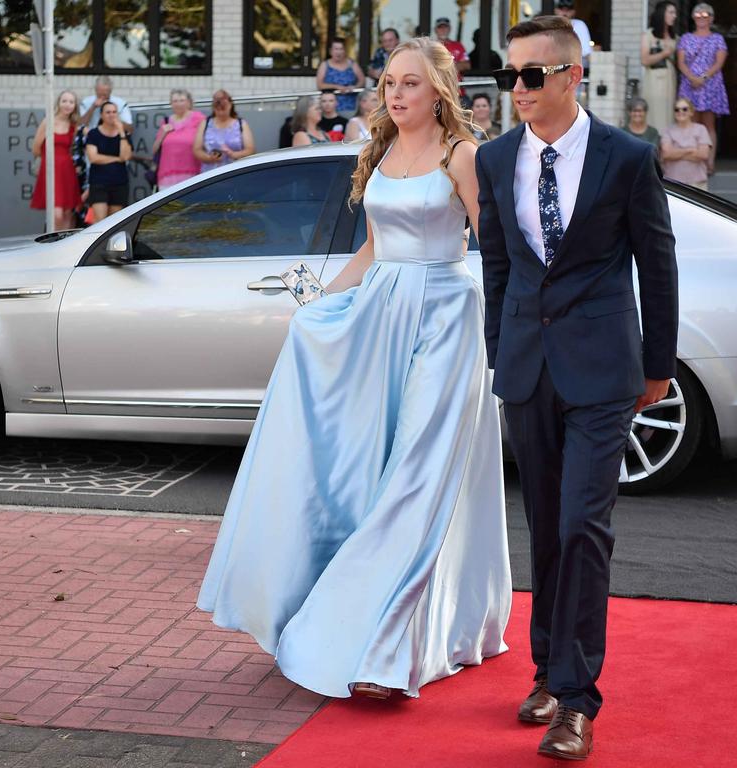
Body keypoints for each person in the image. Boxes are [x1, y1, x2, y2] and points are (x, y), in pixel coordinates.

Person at [198, 36, 511, 703]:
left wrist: (508, 326)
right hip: (381, 317)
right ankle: (368, 620)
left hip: (448, 316)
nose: (395, 95)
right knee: (378, 470)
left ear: (440, 91)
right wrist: (318, 311)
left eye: (411, 84)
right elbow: (372, 250)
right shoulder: (383, 151)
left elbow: (496, 243)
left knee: (418, 477)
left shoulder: (464, 156)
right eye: (388, 83)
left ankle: (386, 649)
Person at [478, 15, 677, 760]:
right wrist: (502, 353)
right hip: (529, 370)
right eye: (511, 76)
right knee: (544, 529)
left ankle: (577, 699)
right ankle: (546, 673)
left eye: (532, 76)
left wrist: (658, 365)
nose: (518, 90)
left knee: (583, 528)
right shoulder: (497, 161)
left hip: (602, 370)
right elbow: (498, 266)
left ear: (570, 76)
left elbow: (656, 265)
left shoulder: (627, 157)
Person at [677, 3, 728, 173]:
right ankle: (693, 161)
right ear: (693, 18)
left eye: (705, 15)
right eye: (697, 15)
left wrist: (703, 77)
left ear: (711, 18)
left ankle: (709, 162)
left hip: (710, 85)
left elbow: (719, 62)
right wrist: (692, 77)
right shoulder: (685, 38)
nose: (701, 18)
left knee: (708, 125)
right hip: (690, 85)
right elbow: (681, 62)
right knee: (691, 123)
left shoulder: (717, 39)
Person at [30, 90, 84, 231]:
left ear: (75, 106)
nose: (67, 105)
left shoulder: (74, 126)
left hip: (67, 169)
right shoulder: (48, 122)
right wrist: (50, 160)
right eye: (64, 101)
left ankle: (64, 244)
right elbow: (35, 148)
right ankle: (55, 244)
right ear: (58, 103)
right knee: (57, 214)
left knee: (67, 213)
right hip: (51, 169)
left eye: (71, 102)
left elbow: (72, 149)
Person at [85, 101, 132, 223]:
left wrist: (121, 132)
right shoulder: (94, 134)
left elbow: (126, 156)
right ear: (101, 115)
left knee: (114, 223)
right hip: (99, 183)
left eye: (114, 112)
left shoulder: (124, 134)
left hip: (119, 183)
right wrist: (116, 159)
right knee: (100, 221)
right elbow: (94, 158)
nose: (112, 115)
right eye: (108, 112)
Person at [151, 88, 204, 189]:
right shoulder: (166, 121)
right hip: (167, 176)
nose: (178, 104)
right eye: (175, 101)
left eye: (182, 100)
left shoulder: (199, 118)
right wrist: (163, 134)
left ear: (189, 102)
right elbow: (154, 150)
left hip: (192, 174)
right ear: (171, 103)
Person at [192, 90, 254, 172]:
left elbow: (250, 150)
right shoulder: (205, 123)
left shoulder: (241, 124)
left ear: (231, 104)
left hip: (235, 172)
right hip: (210, 173)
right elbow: (197, 149)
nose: (220, 110)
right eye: (217, 106)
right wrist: (209, 158)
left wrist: (233, 154)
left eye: (223, 106)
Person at [641, 2, 678, 136]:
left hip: (670, 79)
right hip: (654, 80)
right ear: (662, 13)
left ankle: (667, 147)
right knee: (655, 113)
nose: (674, 16)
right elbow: (644, 60)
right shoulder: (648, 35)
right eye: (671, 12)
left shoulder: (675, 38)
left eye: (675, 13)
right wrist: (664, 53)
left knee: (669, 113)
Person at [661, 97, 712, 188]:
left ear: (691, 112)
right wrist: (690, 150)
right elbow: (666, 154)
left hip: (697, 182)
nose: (680, 112)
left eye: (684, 109)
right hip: (672, 182)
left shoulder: (701, 129)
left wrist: (676, 153)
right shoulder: (667, 130)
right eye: (677, 109)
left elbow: (703, 155)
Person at [316, 38, 364, 114]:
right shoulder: (325, 65)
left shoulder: (352, 64)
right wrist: (337, 87)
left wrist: (355, 87)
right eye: (336, 49)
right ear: (331, 51)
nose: (338, 52)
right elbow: (320, 85)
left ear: (345, 51)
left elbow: (362, 81)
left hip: (351, 106)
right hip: (330, 108)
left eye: (341, 49)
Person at [555, 0, 597, 72]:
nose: (564, 13)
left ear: (573, 12)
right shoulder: (549, 26)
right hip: (554, 69)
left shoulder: (579, 25)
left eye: (568, 10)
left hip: (575, 71)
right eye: (561, 9)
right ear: (556, 10)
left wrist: (596, 71)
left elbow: (587, 52)